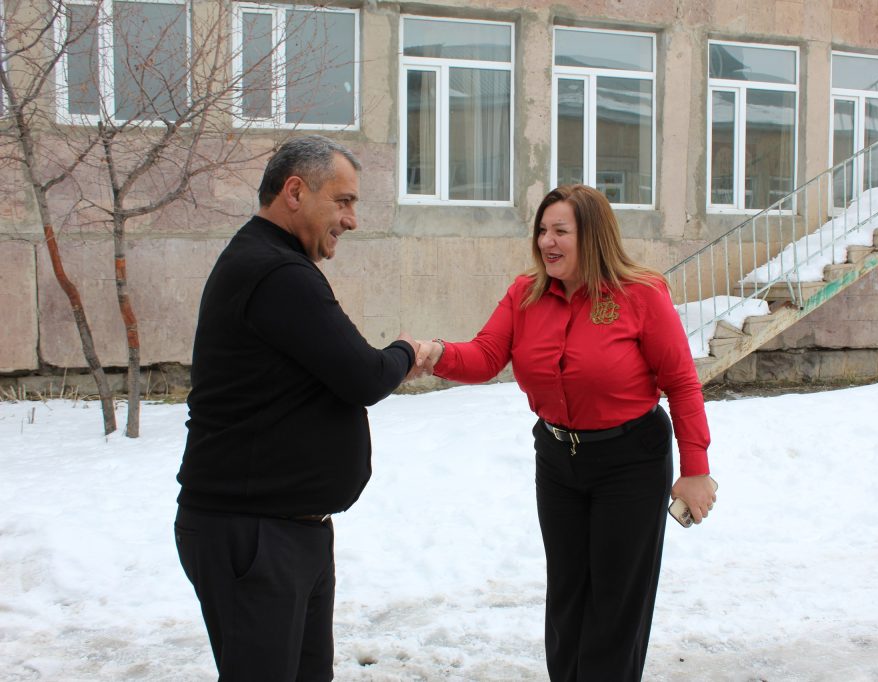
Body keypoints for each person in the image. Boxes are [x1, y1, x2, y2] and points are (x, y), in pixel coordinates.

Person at [418, 184, 716, 681]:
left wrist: (695, 469)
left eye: (560, 231)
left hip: (631, 461)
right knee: (567, 595)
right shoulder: (525, 293)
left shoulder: (640, 294)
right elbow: (486, 355)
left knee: (615, 602)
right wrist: (435, 354)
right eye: (541, 230)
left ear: (592, 235)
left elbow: (682, 382)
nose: (546, 242)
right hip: (558, 460)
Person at [174, 135, 423, 681]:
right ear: (294, 192)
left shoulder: (269, 262)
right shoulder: (276, 272)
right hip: (255, 534)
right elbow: (363, 374)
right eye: (343, 201)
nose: (352, 220)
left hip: (286, 529)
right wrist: (408, 351)